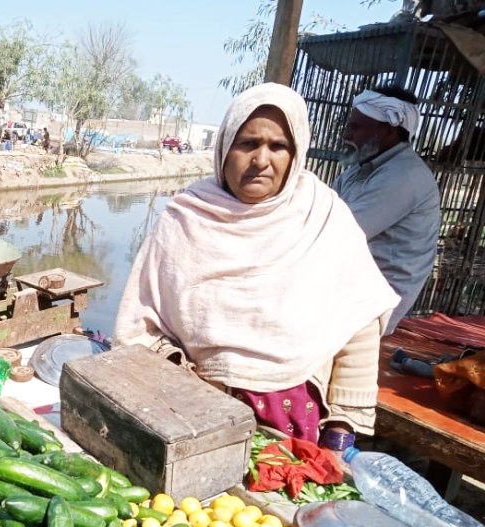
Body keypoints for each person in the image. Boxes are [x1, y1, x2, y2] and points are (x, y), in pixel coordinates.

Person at [114, 83, 399, 453]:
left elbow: (357, 326)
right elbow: (140, 325)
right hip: (192, 415)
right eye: (247, 143)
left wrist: (342, 426)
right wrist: (183, 383)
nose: (262, 160)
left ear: (295, 153)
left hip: (295, 425)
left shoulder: (325, 218)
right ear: (224, 147)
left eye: (278, 146)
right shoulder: (184, 217)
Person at [332, 85, 441, 333]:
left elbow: (335, 234)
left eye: (356, 127)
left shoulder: (405, 177)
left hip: (373, 303)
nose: (346, 134)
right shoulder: (359, 170)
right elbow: (323, 213)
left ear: (386, 131)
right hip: (348, 287)